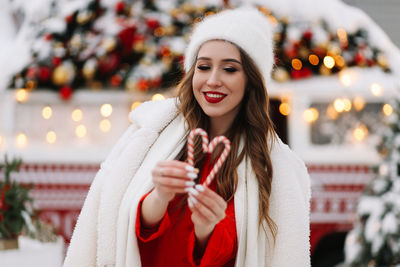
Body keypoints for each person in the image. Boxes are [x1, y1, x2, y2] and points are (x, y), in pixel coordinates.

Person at [63, 7, 311, 267]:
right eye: (204, 67)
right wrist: (159, 196)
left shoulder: (275, 165)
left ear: (251, 80)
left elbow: (255, 252)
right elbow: (125, 228)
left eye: (229, 69)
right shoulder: (152, 132)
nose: (213, 80)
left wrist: (206, 230)